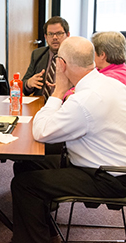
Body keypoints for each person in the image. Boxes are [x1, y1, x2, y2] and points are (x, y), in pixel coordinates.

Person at [11, 36, 126, 243]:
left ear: (60, 64)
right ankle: (45, 230)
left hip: (108, 177)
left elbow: (41, 132)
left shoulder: (84, 100)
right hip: (114, 164)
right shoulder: (111, 84)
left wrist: (58, 91)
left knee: (24, 184)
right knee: (27, 163)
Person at [63, 31, 126, 100]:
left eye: (92, 51)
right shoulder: (108, 70)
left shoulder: (111, 79)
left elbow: (77, 100)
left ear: (102, 55)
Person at [22, 16, 70, 102]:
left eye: (59, 33)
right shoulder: (37, 54)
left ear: (68, 35)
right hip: (40, 105)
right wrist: (29, 83)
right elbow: (22, 85)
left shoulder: (75, 57)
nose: (55, 37)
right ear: (46, 37)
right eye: (51, 34)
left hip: (64, 105)